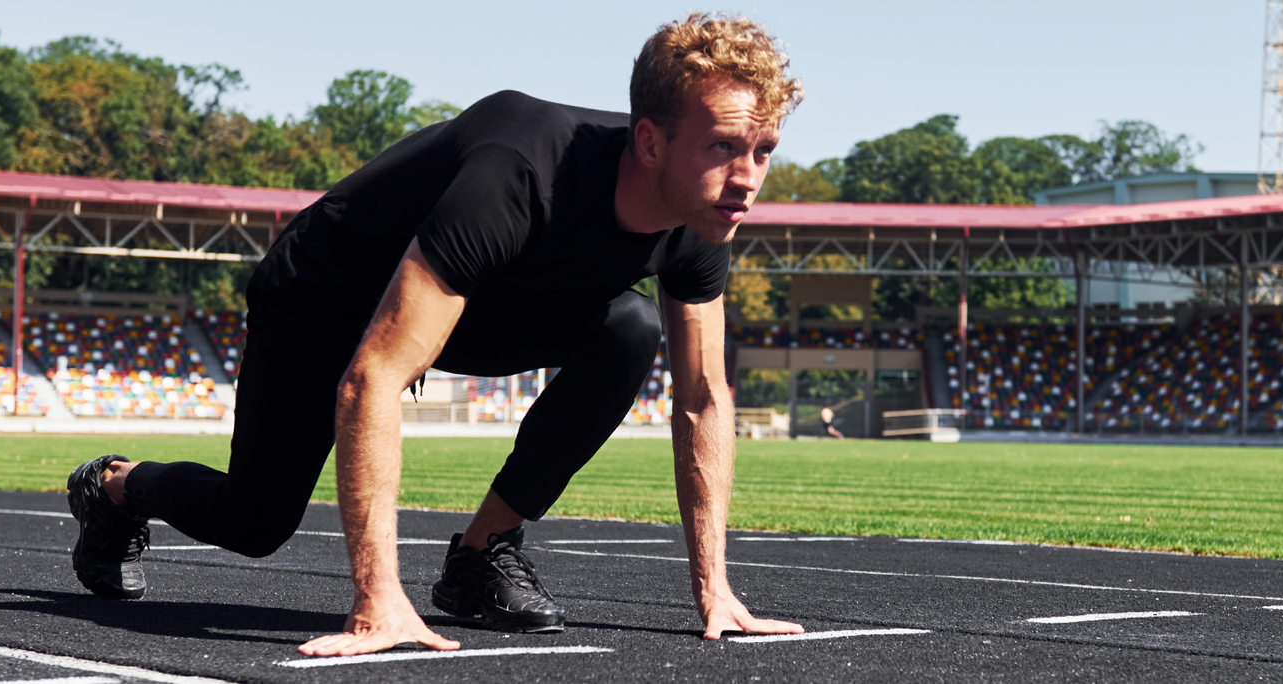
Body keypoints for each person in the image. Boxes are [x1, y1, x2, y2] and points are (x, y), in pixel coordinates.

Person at [62, 13, 806, 657]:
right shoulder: (518, 173)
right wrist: (377, 599)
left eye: (763, 151)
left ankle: (482, 551)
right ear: (649, 142)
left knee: (628, 327)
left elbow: (705, 397)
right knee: (256, 522)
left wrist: (717, 593)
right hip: (326, 293)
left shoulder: (699, 219)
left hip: (476, 303)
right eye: (724, 148)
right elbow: (375, 374)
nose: (748, 178)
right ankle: (117, 486)